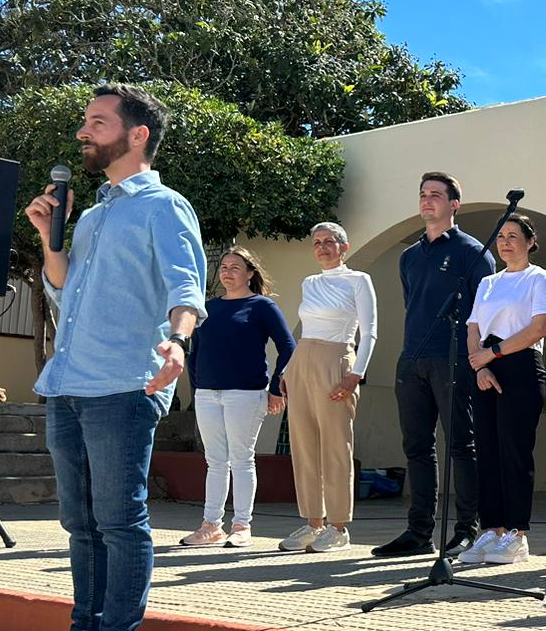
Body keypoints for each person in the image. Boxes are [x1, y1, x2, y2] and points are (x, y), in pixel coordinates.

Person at [0, 84, 204, 631]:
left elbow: (186, 283)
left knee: (119, 520)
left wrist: (178, 342)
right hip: (68, 382)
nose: (84, 132)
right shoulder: (90, 213)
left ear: (136, 134)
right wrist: (47, 237)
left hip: (124, 382)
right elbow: (63, 287)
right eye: (85, 122)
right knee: (80, 522)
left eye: (98, 121)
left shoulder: (163, 206)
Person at [373, 173, 493, 558]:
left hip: (455, 358)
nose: (427, 201)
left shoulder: (472, 251)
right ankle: (418, 531)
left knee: (462, 444)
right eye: (423, 195)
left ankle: (467, 530)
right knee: (417, 447)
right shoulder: (409, 256)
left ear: (454, 204)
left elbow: (484, 312)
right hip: (413, 360)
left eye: (436, 196)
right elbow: (414, 305)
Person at [458, 214, 546, 566]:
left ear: (530, 242)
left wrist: (494, 353)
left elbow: (538, 328)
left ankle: (517, 535)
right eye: (501, 236)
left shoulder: (540, 279)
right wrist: (481, 363)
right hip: (485, 367)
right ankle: (492, 529)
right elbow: (473, 327)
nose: (505, 242)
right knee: (486, 451)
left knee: (514, 452)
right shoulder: (487, 282)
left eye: (514, 236)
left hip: (520, 365)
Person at [180, 248, 295, 549]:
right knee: (215, 461)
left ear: (250, 273)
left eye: (235, 267)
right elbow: (195, 352)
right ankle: (210, 526)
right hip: (207, 394)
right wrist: (197, 387)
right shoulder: (208, 309)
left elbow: (288, 346)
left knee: (242, 460)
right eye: (224, 267)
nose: (228, 271)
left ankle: (242, 526)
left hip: (245, 394)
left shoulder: (262, 307)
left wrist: (275, 387)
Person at [277, 223, 378, 554]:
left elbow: (371, 331)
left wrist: (356, 374)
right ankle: (313, 521)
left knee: (336, 444)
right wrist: (289, 369)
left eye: (329, 242)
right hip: (303, 359)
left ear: (343, 246)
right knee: (304, 445)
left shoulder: (358, 280)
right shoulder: (310, 282)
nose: (322, 247)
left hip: (336, 360)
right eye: (316, 242)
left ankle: (338, 526)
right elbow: (305, 328)